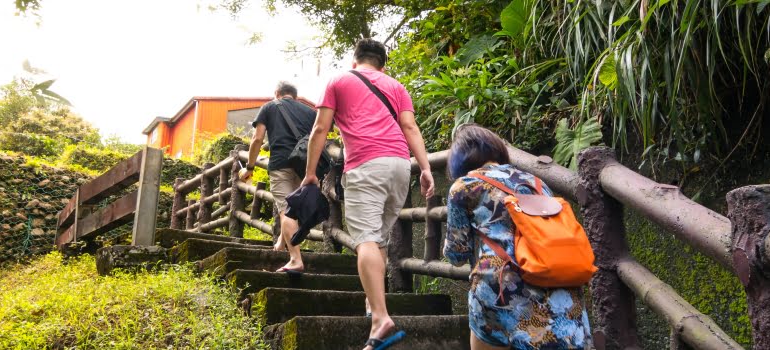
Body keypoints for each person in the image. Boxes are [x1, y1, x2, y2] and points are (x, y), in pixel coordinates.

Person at [299, 38, 434, 350]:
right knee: (380, 237)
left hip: (366, 165)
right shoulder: (396, 86)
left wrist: (309, 174)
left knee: (365, 240)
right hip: (400, 165)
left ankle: (381, 318)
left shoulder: (339, 80)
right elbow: (410, 128)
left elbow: (320, 129)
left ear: (354, 59)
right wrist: (425, 168)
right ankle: (373, 304)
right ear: (383, 64)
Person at [444, 124, 592, 350]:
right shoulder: (538, 184)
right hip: (559, 284)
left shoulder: (464, 186)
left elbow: (457, 255)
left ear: (458, 161)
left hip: (502, 289)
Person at [239, 81, 317, 273]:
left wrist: (249, 167)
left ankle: (296, 259)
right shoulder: (310, 112)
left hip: (281, 163)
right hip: (305, 166)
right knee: (294, 208)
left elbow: (258, 139)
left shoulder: (269, 107)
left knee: (286, 209)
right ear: (295, 96)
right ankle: (281, 244)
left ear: (277, 93)